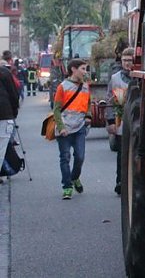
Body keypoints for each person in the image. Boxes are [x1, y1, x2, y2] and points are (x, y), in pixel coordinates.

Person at [52, 59, 91, 200]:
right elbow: (56, 109)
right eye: (83, 69)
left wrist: (88, 116)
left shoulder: (86, 86)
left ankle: (74, 177)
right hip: (65, 128)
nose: (85, 72)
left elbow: (88, 103)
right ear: (73, 69)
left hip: (80, 126)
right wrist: (61, 127)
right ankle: (67, 187)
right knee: (65, 157)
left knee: (80, 157)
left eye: (85, 69)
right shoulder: (62, 87)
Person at [106, 47, 133, 195]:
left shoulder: (140, 77)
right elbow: (110, 100)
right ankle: (120, 181)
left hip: (137, 122)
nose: (127, 64)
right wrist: (110, 121)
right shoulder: (115, 78)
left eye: (129, 60)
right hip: (121, 121)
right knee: (122, 153)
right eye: (124, 61)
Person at [0, 57, 20, 180]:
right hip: (4, 113)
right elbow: (13, 94)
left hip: (5, 113)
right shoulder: (4, 73)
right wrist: (14, 112)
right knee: (1, 146)